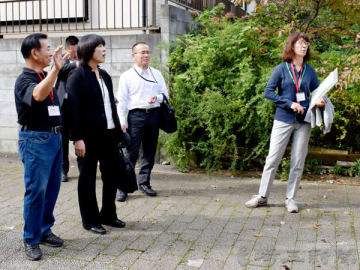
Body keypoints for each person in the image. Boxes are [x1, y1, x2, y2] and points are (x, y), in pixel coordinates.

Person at [245, 32, 326, 213]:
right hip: (283, 120)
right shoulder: (281, 69)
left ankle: (290, 199)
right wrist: (290, 103)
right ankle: (262, 197)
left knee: (297, 162)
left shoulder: (310, 71)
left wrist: (320, 101)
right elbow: (268, 92)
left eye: (306, 43)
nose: (304, 46)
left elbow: (317, 92)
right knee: (273, 158)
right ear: (292, 46)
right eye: (300, 43)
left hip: (304, 122)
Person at [15, 33, 69, 260]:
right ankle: (31, 238)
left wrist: (54, 72)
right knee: (36, 191)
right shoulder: (25, 78)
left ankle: (45, 230)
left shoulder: (42, 75)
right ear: (34, 53)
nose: (51, 52)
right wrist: (55, 70)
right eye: (47, 48)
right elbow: (37, 95)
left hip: (54, 139)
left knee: (52, 189)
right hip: (35, 141)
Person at [67, 34, 126, 235]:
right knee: (87, 178)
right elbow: (72, 109)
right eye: (99, 46)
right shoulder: (78, 76)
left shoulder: (105, 75)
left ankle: (108, 214)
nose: (104, 50)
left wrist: (118, 133)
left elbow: (110, 106)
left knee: (111, 176)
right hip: (88, 137)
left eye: (104, 46)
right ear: (88, 50)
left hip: (109, 135)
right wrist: (77, 138)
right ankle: (90, 220)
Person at [116, 42, 169, 202]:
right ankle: (123, 186)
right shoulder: (127, 76)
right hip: (135, 116)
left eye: (148, 52)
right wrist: (122, 121)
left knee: (150, 151)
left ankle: (144, 183)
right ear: (134, 56)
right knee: (130, 153)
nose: (146, 55)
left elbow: (165, 94)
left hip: (153, 115)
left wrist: (157, 98)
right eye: (142, 52)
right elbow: (122, 101)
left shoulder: (156, 74)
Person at [55, 35, 79, 182]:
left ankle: (85, 169)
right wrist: (76, 64)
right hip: (62, 106)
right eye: (73, 52)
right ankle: (63, 171)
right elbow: (59, 71)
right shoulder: (61, 60)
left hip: (78, 106)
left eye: (77, 51)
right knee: (62, 140)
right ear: (66, 49)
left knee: (81, 138)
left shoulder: (83, 59)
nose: (75, 55)